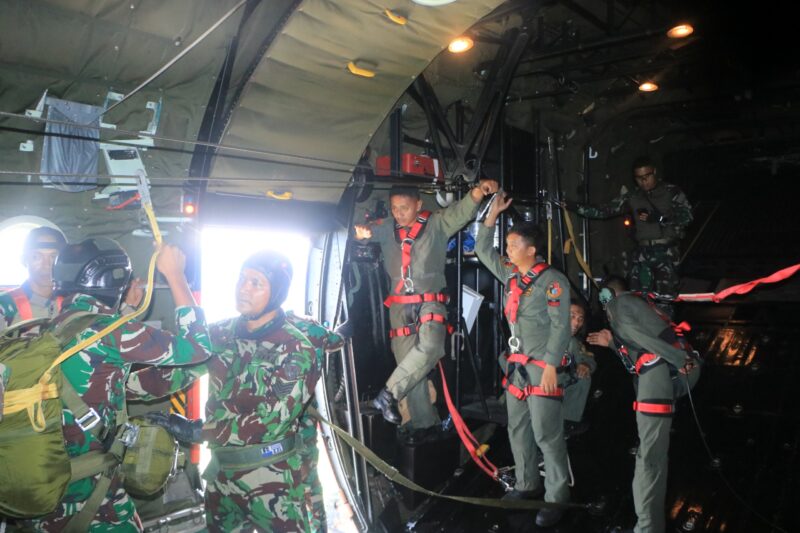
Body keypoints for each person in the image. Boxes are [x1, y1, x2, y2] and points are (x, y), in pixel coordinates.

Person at [126, 250, 344, 533]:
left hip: (273, 478)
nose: (244, 288)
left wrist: (198, 431)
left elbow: (271, 423)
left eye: (257, 282)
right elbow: (173, 374)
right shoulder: (221, 334)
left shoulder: (295, 347)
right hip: (222, 476)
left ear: (277, 292)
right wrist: (114, 387)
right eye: (242, 278)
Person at [18, 238, 211, 532]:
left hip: (40, 486)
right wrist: (176, 275)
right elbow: (199, 347)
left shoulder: (48, 328)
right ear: (112, 280)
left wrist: (126, 309)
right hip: (88, 489)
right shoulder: (111, 331)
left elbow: (106, 380)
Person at [353, 179, 499, 440]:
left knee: (432, 348)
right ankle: (423, 425)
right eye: (395, 208)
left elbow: (462, 212)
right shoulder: (387, 228)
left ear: (418, 204)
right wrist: (361, 234)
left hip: (431, 301)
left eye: (405, 208)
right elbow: (364, 233)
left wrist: (478, 191)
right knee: (412, 369)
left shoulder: (436, 224)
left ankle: (388, 394)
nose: (399, 213)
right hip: (398, 307)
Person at [474, 191, 571, 528]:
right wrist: (491, 217)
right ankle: (528, 483)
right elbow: (482, 250)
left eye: (514, 246)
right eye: (509, 246)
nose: (509, 251)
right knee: (517, 427)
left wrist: (550, 366)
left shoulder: (553, 282)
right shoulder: (512, 277)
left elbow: (561, 328)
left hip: (542, 366)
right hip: (516, 367)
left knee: (547, 434)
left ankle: (557, 496)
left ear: (531, 250)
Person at [586, 276, 701, 533]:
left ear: (607, 294)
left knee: (649, 458)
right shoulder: (644, 304)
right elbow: (638, 342)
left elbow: (636, 336)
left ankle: (647, 528)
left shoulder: (618, 304)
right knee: (653, 453)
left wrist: (678, 358)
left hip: (660, 371)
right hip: (672, 374)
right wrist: (613, 343)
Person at [569, 156, 693, 299]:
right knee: (638, 297)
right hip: (643, 253)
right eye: (639, 177)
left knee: (665, 298)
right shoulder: (633, 196)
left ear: (655, 172)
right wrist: (573, 206)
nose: (644, 181)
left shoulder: (671, 192)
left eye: (647, 176)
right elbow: (605, 210)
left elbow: (687, 217)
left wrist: (661, 219)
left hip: (667, 252)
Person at [0, 226, 67, 332]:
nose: (46, 265)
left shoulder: (74, 303)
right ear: (24, 260)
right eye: (36, 257)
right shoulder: (4, 306)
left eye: (53, 257)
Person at [562, 300, 597, 436]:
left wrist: (586, 365)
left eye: (580, 319)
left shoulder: (573, 342)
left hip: (558, 384)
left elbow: (588, 358)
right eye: (572, 316)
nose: (577, 323)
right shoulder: (539, 334)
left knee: (583, 377)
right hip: (534, 386)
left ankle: (567, 422)